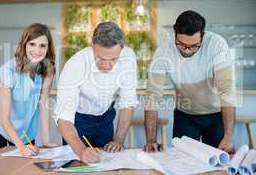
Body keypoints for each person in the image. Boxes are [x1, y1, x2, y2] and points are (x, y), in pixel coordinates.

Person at [143, 10, 236, 154]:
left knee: (218, 162)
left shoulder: (216, 45)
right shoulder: (164, 51)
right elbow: (152, 96)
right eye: (181, 44)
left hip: (216, 116)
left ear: (202, 36)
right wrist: (150, 139)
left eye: (193, 46)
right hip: (185, 115)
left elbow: (227, 91)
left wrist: (228, 137)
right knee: (182, 161)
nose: (186, 51)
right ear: (174, 34)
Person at [54, 22, 138, 163]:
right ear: (92, 47)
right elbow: (63, 117)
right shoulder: (76, 65)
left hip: (106, 118)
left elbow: (128, 103)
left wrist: (118, 140)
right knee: (77, 164)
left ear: (121, 50)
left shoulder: (128, 58)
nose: (106, 65)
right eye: (101, 58)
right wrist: (81, 151)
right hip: (78, 120)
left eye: (113, 59)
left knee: (105, 164)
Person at [0, 23, 56, 157]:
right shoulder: (10, 70)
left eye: (42, 45)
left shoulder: (48, 71)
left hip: (25, 130)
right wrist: (21, 147)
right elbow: (4, 118)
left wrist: (46, 139)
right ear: (24, 45)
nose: (37, 50)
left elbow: (43, 105)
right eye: (32, 44)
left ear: (48, 48)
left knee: (25, 166)